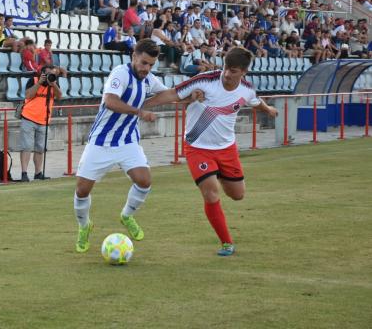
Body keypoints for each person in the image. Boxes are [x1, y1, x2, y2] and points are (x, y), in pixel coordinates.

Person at [144, 47, 279, 256]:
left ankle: (218, 176)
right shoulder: (204, 81)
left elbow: (255, 101)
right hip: (197, 148)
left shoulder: (246, 89)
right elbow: (172, 93)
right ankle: (226, 242)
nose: (226, 74)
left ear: (243, 72)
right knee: (210, 192)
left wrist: (268, 109)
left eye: (233, 71)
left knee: (238, 195)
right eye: (225, 67)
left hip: (226, 149)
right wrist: (140, 107)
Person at [73, 39, 169, 253]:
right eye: (144, 63)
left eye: (151, 65)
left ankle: (127, 215)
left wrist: (192, 95)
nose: (147, 69)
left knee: (144, 181)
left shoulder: (148, 79)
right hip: (101, 141)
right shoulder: (120, 73)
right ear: (134, 56)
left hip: (127, 141)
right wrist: (140, 111)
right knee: (82, 190)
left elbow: (168, 93)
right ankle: (84, 226)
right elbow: (110, 101)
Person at [19, 64, 62, 181]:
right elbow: (28, 95)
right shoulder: (33, 80)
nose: (50, 76)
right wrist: (39, 83)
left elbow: (59, 96)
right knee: (26, 147)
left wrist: (53, 84)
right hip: (29, 118)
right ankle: (24, 173)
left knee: (40, 148)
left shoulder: (53, 83)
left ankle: (38, 173)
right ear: (42, 73)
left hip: (43, 120)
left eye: (52, 74)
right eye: (48, 74)